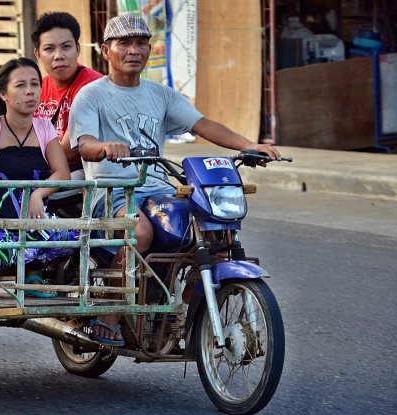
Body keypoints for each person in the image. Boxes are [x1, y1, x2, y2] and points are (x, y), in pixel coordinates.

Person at [69, 13, 282, 345]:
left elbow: (202, 124)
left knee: (218, 234)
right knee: (139, 232)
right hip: (111, 191)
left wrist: (249, 145)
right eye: (124, 43)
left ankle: (180, 311)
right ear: (106, 51)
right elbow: (83, 144)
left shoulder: (161, 95)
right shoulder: (91, 95)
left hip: (159, 190)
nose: (134, 50)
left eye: (141, 43)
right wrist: (104, 147)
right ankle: (109, 312)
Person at [0, 57, 73, 287]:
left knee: (70, 238)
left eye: (35, 84)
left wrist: (38, 194)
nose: (30, 91)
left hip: (32, 223)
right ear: (3, 94)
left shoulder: (44, 127)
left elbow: (62, 172)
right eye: (20, 85)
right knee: (4, 250)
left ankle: (30, 271)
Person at [32, 12, 103, 173]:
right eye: (49, 49)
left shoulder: (93, 87)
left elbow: (69, 151)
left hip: (83, 173)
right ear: (38, 55)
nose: (59, 56)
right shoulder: (38, 87)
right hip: (46, 167)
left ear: (77, 49)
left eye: (66, 47)